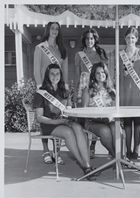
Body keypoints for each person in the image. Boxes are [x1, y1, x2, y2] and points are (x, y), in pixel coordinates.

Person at [33, 64, 96, 178]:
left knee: (77, 128)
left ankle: (87, 164)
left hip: (64, 122)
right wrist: (57, 122)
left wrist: (69, 113)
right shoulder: (41, 93)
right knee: (68, 133)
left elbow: (69, 109)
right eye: (52, 73)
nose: (55, 76)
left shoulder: (65, 91)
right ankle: (85, 167)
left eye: (57, 73)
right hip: (49, 125)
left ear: (61, 76)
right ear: (47, 75)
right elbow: (39, 117)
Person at [33, 21, 68, 164]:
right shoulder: (40, 48)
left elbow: (64, 70)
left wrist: (65, 87)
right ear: (48, 30)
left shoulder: (61, 49)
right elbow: (36, 68)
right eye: (52, 28)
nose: (55, 31)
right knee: (45, 119)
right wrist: (41, 88)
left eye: (57, 29)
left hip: (58, 89)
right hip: (45, 89)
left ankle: (57, 151)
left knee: (58, 116)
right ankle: (46, 150)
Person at [75, 28, 109, 158]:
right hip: (83, 87)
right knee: (83, 117)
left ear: (95, 39)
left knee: (96, 115)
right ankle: (84, 146)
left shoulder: (100, 53)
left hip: (96, 87)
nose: (89, 41)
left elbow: (105, 73)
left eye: (92, 38)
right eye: (87, 38)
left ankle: (92, 146)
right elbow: (76, 74)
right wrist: (76, 93)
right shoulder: (79, 55)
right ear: (84, 40)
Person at [119, 26, 140, 160]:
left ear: (136, 39)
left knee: (137, 122)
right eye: (128, 37)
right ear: (124, 39)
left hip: (138, 91)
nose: (130, 40)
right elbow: (117, 74)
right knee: (127, 122)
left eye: (133, 37)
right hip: (124, 91)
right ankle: (128, 150)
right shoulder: (121, 54)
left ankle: (136, 150)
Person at [82, 62, 116, 157]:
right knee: (105, 131)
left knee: (116, 129)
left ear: (106, 73)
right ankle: (117, 156)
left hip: (108, 121)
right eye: (97, 73)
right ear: (93, 75)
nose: (101, 75)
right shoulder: (88, 90)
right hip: (92, 121)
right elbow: (83, 111)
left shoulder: (112, 91)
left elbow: (116, 110)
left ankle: (118, 157)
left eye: (102, 72)